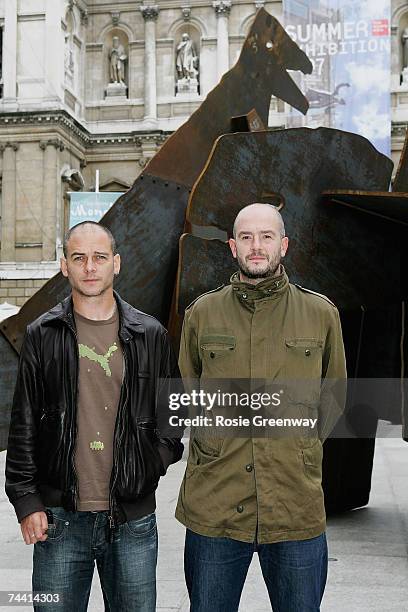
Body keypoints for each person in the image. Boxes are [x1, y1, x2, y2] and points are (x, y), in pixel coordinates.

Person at [175, 203, 347, 611]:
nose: (257, 247)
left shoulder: (321, 314)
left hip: (294, 504)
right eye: (247, 238)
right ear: (233, 247)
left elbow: (334, 396)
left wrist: (299, 444)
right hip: (215, 504)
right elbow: (190, 391)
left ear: (283, 245)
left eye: (266, 237)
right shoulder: (201, 314)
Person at [5, 221, 183, 611]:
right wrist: (27, 500)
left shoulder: (149, 333)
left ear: (116, 264)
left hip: (133, 520)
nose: (90, 267)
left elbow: (173, 412)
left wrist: (150, 465)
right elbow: (24, 423)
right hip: (60, 521)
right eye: (79, 258)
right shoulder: (42, 333)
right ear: (64, 266)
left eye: (99, 257)